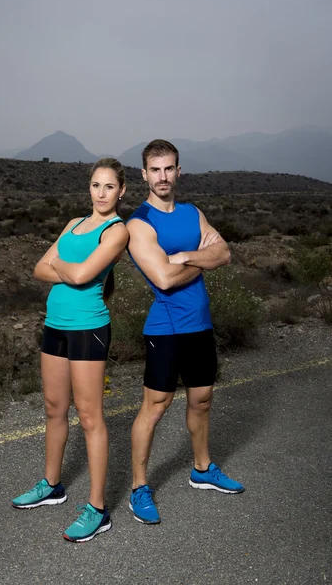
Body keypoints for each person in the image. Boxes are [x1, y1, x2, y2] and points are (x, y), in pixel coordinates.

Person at [127, 140, 244, 525]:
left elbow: (224, 253)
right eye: (155, 170)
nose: (163, 176)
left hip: (200, 323)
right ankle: (139, 487)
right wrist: (202, 260)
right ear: (144, 174)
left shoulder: (194, 213)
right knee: (156, 407)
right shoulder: (139, 223)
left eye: (169, 168)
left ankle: (202, 468)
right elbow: (163, 279)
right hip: (166, 327)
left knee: (203, 400)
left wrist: (187, 257)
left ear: (179, 171)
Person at [11, 158, 128, 543]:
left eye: (109, 186)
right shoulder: (73, 225)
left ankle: (98, 508)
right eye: (96, 185)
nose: (101, 192)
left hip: (88, 328)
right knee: (53, 408)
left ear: (121, 191)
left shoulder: (117, 230)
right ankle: (52, 484)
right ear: (89, 188)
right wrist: (68, 266)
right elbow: (37, 269)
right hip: (55, 326)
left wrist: (61, 263)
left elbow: (76, 275)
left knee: (90, 417)